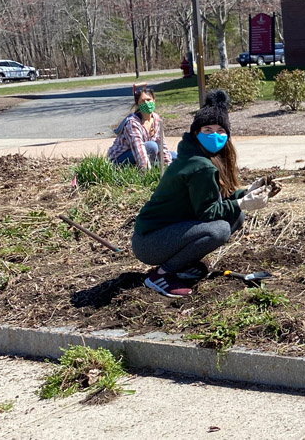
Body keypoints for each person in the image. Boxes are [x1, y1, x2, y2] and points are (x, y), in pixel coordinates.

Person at [130, 90, 272, 298]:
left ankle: (181, 265)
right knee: (219, 229)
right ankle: (161, 275)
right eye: (208, 129)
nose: (215, 135)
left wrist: (246, 193)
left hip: (164, 234)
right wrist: (242, 202)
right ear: (196, 132)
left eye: (221, 130)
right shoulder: (199, 166)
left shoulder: (198, 156)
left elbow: (210, 202)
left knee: (235, 216)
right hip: (149, 242)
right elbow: (208, 213)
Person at [107, 85, 175, 169]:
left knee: (174, 156)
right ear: (138, 104)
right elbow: (139, 149)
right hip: (120, 159)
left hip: (144, 152)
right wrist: (146, 172)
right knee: (152, 146)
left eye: (148, 100)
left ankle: (156, 164)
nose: (146, 103)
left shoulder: (157, 119)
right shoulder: (132, 123)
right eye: (142, 101)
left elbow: (162, 145)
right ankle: (146, 166)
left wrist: (168, 166)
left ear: (154, 100)